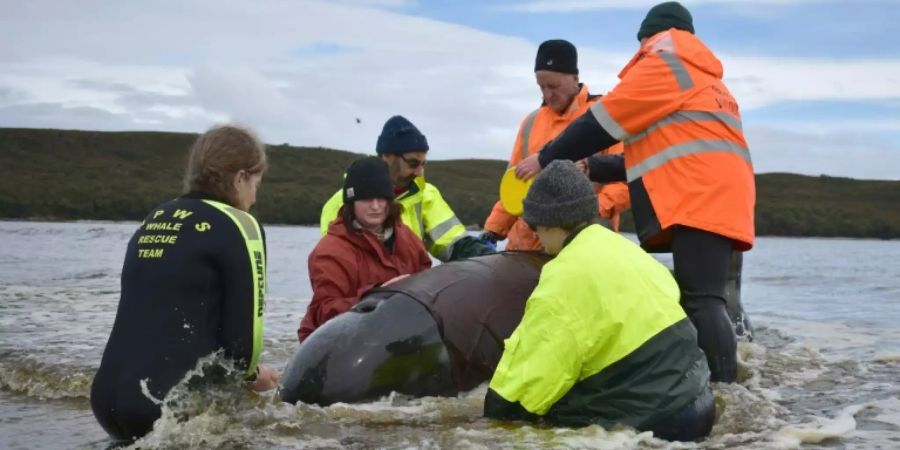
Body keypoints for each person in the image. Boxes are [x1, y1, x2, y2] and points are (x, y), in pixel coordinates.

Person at [512, 1, 755, 382]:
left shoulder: (667, 65)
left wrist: (547, 156)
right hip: (720, 194)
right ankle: (721, 382)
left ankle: (725, 392)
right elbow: (660, 155)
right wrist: (595, 166)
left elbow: (602, 122)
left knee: (702, 300)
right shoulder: (706, 79)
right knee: (708, 298)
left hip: (699, 197)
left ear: (648, 38)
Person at [484, 161, 715, 441]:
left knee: (538, 420)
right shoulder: (627, 250)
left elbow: (534, 373)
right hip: (699, 399)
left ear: (548, 222)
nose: (536, 236)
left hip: (658, 419)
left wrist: (495, 418)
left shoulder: (564, 274)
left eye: (534, 226)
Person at [91, 125, 279, 441]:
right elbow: (244, 340)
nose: (255, 196)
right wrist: (253, 376)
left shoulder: (157, 216)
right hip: (163, 405)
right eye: (256, 184)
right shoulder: (240, 224)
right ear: (239, 178)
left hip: (106, 400)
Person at [481, 39, 630, 251]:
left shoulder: (605, 118)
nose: (547, 94)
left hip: (582, 246)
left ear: (574, 79)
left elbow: (625, 183)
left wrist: (585, 212)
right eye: (541, 87)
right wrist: (492, 231)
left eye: (553, 86)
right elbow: (513, 187)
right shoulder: (530, 122)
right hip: (523, 249)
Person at [320, 115, 495, 261]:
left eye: (423, 164)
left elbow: (454, 243)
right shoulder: (340, 204)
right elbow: (336, 265)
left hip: (412, 295)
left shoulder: (427, 194)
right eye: (413, 163)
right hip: (368, 298)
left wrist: (490, 258)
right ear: (386, 157)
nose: (419, 172)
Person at [300, 156, 432, 341]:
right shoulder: (329, 251)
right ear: (351, 203)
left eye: (382, 198)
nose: (376, 206)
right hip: (337, 346)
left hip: (394, 338)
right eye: (367, 199)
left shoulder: (407, 238)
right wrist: (378, 296)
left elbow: (428, 283)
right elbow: (325, 313)